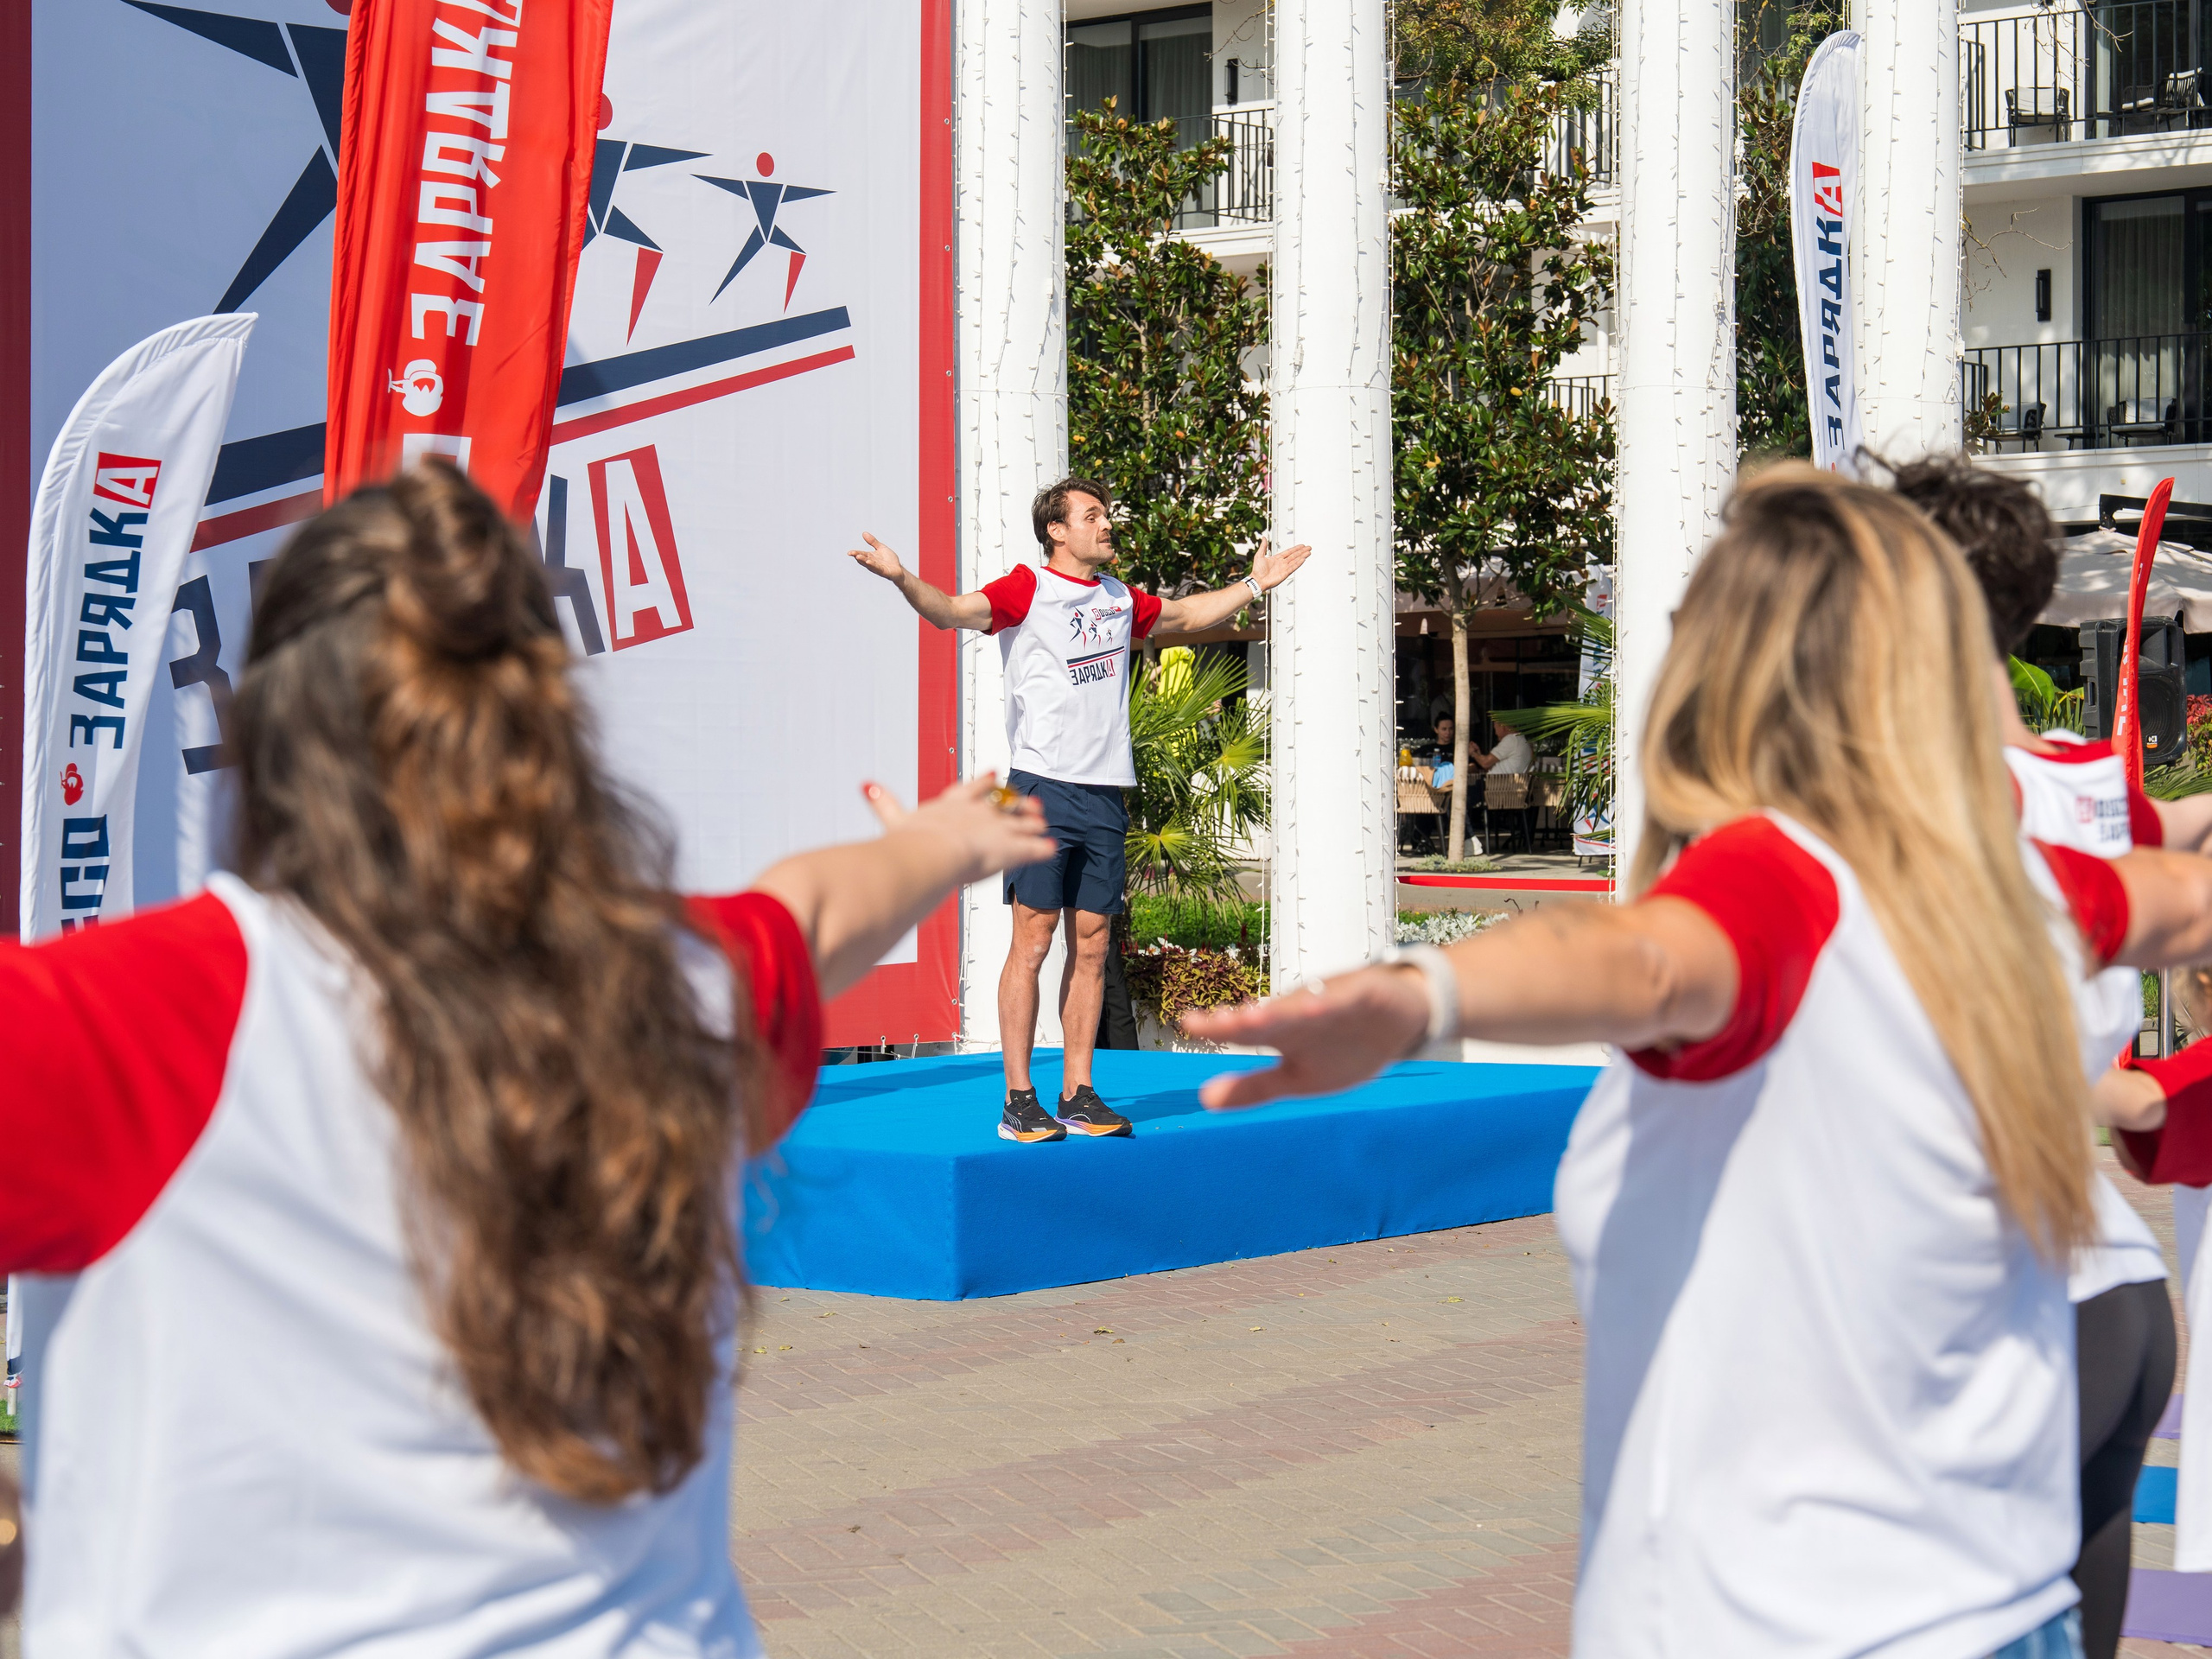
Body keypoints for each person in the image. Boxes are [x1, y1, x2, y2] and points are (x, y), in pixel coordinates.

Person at [0, 463, 1054, 1656]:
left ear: (271, 736)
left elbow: (815, 913)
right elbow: (818, 912)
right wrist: (944, 842)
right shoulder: (683, 983)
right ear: (550, 729)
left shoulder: (129, 1025)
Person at [1188, 466, 2212, 1658]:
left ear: (1727, 672)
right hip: (1996, 1603)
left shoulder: (1789, 876)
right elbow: (2177, 897)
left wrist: (1433, 994)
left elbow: (1643, 962)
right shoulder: (2019, 884)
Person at [1888, 453, 2191, 1659]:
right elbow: (2172, 841)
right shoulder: (2089, 788)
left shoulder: (1934, 807)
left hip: (2004, 1304)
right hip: (2116, 1287)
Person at [848, 477, 1311, 1143]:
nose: (1107, 525)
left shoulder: (1121, 599)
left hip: (1104, 795)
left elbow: (1184, 616)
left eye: (1106, 514)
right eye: (1092, 516)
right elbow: (949, 611)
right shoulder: (1024, 589)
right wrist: (900, 577)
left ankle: (1079, 1093)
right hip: (1039, 790)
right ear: (1056, 532)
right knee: (1033, 941)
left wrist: (1255, 584)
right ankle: (1017, 1098)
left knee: (1092, 946)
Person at [1471, 712, 1532, 776]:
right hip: (1502, 782)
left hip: (1498, 784)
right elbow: (1488, 766)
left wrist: (1473, 753)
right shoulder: (1520, 739)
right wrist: (1478, 754)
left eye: (1495, 729)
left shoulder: (1511, 740)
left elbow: (1485, 763)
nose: (1495, 733)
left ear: (1503, 727)